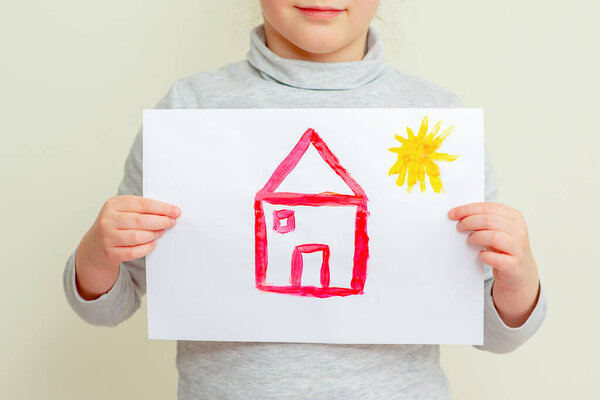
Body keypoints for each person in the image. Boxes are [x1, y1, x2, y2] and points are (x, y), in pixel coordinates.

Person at [63, 1, 547, 398]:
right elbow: (110, 304)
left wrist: (518, 276)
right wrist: (96, 252)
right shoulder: (190, 110)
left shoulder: (437, 124)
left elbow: (494, 332)